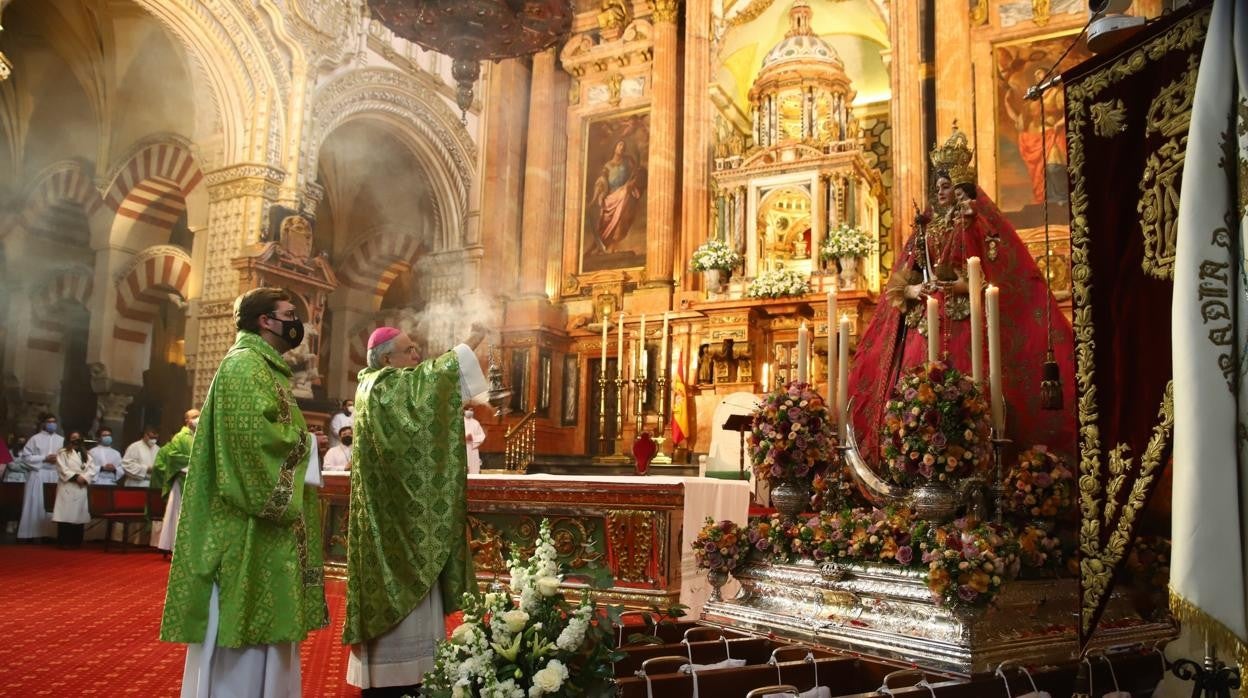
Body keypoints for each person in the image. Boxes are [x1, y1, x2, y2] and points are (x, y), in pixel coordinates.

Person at [848, 127, 1076, 464]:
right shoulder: (924, 230)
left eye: (946, 187)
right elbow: (901, 282)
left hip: (963, 320)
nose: (939, 193)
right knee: (916, 392)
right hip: (922, 325)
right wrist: (915, 288)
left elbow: (988, 276)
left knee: (966, 385)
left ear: (959, 190)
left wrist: (958, 285)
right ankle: (913, 459)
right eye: (937, 187)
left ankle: (975, 459)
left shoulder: (977, 225)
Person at [160, 287, 326, 698]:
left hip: (264, 535)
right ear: (264, 321)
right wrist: (307, 444)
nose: (295, 323)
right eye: (289, 314)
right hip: (244, 531)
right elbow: (254, 446)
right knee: (245, 643)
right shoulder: (244, 367)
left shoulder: (266, 369)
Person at [344, 324, 488, 697]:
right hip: (399, 522)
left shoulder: (373, 386)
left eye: (416, 349)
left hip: (393, 513)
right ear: (387, 358)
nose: (417, 356)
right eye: (409, 350)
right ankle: (403, 679)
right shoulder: (385, 387)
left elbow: (429, 385)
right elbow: (434, 380)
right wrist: (471, 340)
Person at [154, 409, 199, 556]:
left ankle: (190, 547)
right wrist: (193, 463)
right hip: (181, 480)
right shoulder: (180, 437)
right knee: (178, 515)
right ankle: (176, 547)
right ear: (187, 420)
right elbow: (173, 457)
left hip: (195, 481)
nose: (198, 419)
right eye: (194, 416)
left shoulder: (199, 436)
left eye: (199, 416)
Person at [591, 139, 644, 254]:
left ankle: (613, 246)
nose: (622, 147)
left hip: (625, 192)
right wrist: (600, 194)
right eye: (620, 145)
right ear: (614, 148)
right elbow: (603, 181)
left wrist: (632, 183)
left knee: (623, 208)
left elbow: (636, 173)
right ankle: (604, 245)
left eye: (624, 146)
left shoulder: (628, 161)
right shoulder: (607, 165)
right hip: (612, 196)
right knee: (605, 217)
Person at [17, 413, 63, 541]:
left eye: (54, 421)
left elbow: (67, 458)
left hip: (54, 474)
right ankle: (31, 533)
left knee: (52, 505)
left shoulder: (61, 440)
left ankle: (51, 534)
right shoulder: (34, 439)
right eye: (49, 421)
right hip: (39, 473)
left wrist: (57, 459)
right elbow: (25, 457)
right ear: (44, 423)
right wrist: (44, 458)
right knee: (35, 502)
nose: (52, 424)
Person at [52, 430, 95, 548]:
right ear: (69, 439)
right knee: (66, 514)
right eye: (73, 437)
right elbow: (62, 468)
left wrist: (84, 478)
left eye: (78, 437)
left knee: (78, 515)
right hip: (68, 486)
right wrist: (76, 477)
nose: (76, 440)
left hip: (81, 487)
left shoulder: (87, 454)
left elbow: (91, 470)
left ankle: (76, 542)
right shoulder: (63, 453)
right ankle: (64, 542)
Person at [463, 407, 485, 475]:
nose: (470, 411)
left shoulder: (476, 423)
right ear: (464, 411)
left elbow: (482, 436)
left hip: (473, 450)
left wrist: (473, 438)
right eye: (468, 410)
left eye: (471, 410)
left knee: (473, 471)